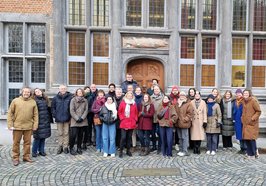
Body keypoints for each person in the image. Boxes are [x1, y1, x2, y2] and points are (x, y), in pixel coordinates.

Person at [7, 87, 38, 166]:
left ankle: (26, 156)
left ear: (30, 93)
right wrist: (10, 125)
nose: (26, 93)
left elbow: (36, 115)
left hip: (28, 126)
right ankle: (16, 158)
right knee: (16, 143)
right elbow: (10, 113)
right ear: (22, 92)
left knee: (27, 143)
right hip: (17, 126)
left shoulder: (33, 102)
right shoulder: (15, 101)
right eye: (25, 92)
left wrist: (35, 125)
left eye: (28, 92)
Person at [51, 85, 73, 154]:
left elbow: (71, 108)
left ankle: (65, 147)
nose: (63, 90)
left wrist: (70, 116)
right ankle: (60, 146)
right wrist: (55, 115)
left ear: (66, 89)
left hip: (67, 118)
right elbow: (53, 108)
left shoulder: (70, 97)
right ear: (59, 89)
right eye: (61, 89)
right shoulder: (55, 98)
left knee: (66, 133)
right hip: (59, 118)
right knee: (60, 133)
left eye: (64, 88)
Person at [32, 88, 52, 157]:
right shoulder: (34, 100)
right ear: (34, 93)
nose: (38, 92)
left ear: (41, 91)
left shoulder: (45, 99)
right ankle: (34, 152)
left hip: (45, 121)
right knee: (37, 138)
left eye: (39, 91)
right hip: (38, 122)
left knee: (43, 137)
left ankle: (41, 151)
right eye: (36, 91)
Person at [241, 89, 261, 159]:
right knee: (247, 139)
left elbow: (258, 111)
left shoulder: (253, 101)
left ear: (249, 94)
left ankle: (255, 153)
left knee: (252, 139)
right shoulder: (243, 101)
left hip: (252, 123)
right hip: (245, 124)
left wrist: (253, 119)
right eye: (244, 93)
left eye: (246, 93)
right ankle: (250, 154)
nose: (245, 94)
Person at [118, 91, 138, 158]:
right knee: (123, 137)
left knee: (129, 138)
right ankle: (121, 151)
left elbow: (136, 113)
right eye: (128, 95)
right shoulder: (123, 103)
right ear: (126, 96)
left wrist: (135, 120)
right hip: (124, 122)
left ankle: (128, 150)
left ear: (132, 96)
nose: (130, 96)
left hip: (131, 122)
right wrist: (122, 118)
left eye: (131, 96)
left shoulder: (134, 103)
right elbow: (119, 112)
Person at [69, 88, 88, 155]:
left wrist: (82, 118)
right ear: (76, 93)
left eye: (81, 92)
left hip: (83, 120)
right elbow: (71, 110)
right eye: (78, 92)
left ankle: (79, 147)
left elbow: (86, 110)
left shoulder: (85, 100)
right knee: (73, 135)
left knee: (80, 135)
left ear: (83, 93)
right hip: (75, 120)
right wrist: (77, 118)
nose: (80, 93)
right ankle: (71, 148)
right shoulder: (73, 100)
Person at [175, 91, 193, 157]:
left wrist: (184, 119)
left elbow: (190, 114)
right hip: (178, 123)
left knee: (184, 137)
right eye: (181, 95)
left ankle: (185, 151)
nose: (181, 96)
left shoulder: (188, 103)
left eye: (183, 95)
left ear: (185, 96)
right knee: (180, 138)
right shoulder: (177, 103)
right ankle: (181, 150)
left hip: (184, 123)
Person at [150, 85, 164, 154]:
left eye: (157, 89)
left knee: (159, 133)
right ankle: (154, 146)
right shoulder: (151, 97)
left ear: (159, 90)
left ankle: (160, 147)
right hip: (152, 118)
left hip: (160, 118)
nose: (156, 90)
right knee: (152, 133)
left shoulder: (163, 97)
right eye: (155, 89)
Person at [233, 89, 246, 154]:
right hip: (237, 120)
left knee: (244, 134)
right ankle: (241, 148)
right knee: (239, 134)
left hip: (243, 120)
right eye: (237, 93)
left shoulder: (244, 101)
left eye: (239, 93)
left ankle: (245, 148)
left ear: (242, 94)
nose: (238, 94)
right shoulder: (235, 101)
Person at [131, 86, 143, 152]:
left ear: (141, 91)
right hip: (134, 117)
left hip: (141, 117)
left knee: (141, 133)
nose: (138, 91)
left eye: (139, 90)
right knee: (133, 133)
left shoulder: (143, 98)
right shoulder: (132, 98)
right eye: (137, 90)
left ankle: (142, 145)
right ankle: (134, 145)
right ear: (135, 91)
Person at [169, 85, 180, 151]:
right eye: (174, 90)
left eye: (176, 90)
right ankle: (170, 144)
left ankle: (176, 144)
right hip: (171, 116)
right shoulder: (169, 97)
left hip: (178, 116)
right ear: (172, 91)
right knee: (170, 131)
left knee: (177, 132)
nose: (175, 91)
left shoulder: (180, 97)